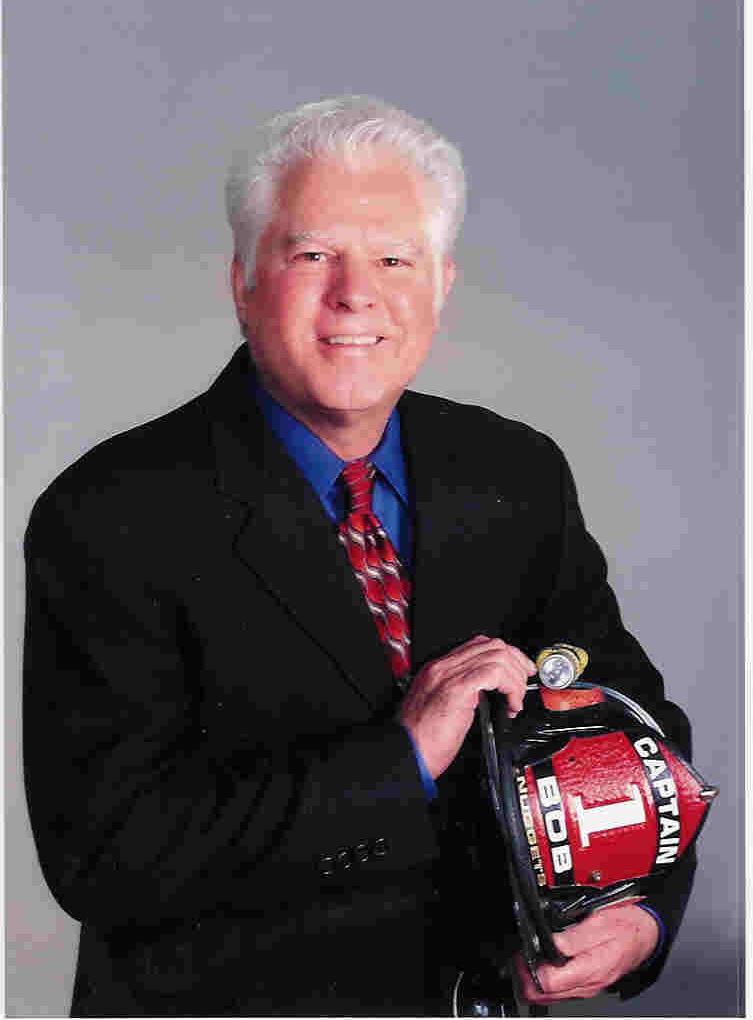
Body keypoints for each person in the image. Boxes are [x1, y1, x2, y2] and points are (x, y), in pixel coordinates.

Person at [23, 96, 695, 1017]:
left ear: (441, 282)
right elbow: (104, 856)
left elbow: (627, 727)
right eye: (311, 256)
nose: (355, 295)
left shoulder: (514, 472)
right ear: (242, 279)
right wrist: (402, 758)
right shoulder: (111, 511)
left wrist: (639, 914)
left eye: (393, 259)